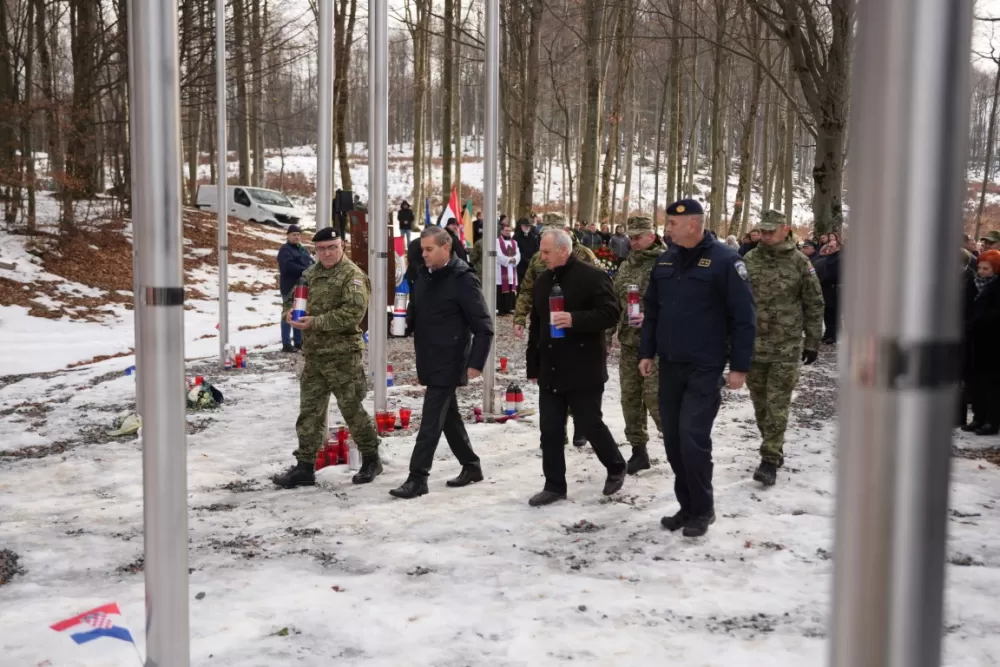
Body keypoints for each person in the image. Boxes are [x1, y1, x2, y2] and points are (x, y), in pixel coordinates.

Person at [638, 199, 756, 537]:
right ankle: (686, 506)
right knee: (674, 440)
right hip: (670, 364)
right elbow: (652, 310)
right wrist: (647, 352)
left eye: (672, 224)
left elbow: (744, 317)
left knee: (692, 437)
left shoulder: (725, 261)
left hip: (705, 364)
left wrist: (739, 366)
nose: (667, 229)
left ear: (692, 224)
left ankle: (703, 509)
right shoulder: (666, 259)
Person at [273, 227, 382, 488]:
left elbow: (352, 314)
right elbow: (290, 301)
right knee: (309, 412)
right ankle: (304, 466)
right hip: (314, 357)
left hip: (343, 357)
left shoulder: (352, 276)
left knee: (352, 410)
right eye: (321, 249)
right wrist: (289, 315)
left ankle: (371, 458)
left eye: (332, 247)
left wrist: (315, 322)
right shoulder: (310, 274)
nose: (327, 253)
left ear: (341, 246)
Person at [390, 227, 494, 498]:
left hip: (451, 359)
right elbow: (415, 312)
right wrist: (401, 324)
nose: (423, 254)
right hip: (428, 357)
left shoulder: (464, 279)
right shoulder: (423, 276)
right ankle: (471, 466)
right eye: (422, 249)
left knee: (430, 421)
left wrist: (476, 363)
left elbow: (484, 327)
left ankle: (418, 478)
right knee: (449, 418)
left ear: (446, 248)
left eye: (429, 249)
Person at [526, 229, 626, 506]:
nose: (542, 257)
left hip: (583, 366)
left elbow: (611, 313)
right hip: (551, 366)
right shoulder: (543, 281)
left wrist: (574, 319)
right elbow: (537, 325)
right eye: (541, 251)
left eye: (546, 252)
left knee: (590, 423)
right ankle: (554, 485)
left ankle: (616, 466)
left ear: (563, 250)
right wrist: (533, 364)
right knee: (550, 430)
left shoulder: (592, 276)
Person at [742, 210, 824, 486]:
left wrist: (812, 340)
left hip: (786, 346)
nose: (765, 236)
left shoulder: (800, 262)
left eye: (770, 231)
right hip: (754, 345)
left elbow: (814, 302)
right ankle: (772, 444)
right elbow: (737, 300)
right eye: (762, 231)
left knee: (777, 403)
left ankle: (769, 458)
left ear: (784, 230)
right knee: (760, 403)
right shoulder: (750, 259)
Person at [513, 213, 597, 447]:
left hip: (576, 328)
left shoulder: (584, 256)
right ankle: (554, 432)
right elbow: (527, 290)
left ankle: (580, 426)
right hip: (547, 327)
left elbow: (597, 293)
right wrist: (519, 317)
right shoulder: (539, 259)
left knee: (576, 381)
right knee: (549, 381)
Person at [611, 216, 665, 474]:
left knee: (656, 399)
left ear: (651, 236)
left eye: (637, 237)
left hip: (658, 345)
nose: (632, 242)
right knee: (630, 399)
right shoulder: (626, 265)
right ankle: (638, 450)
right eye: (630, 237)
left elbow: (680, 303)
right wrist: (607, 335)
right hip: (630, 342)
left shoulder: (667, 263)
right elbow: (614, 302)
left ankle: (679, 446)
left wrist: (653, 318)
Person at [964, 249, 1000, 436]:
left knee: (990, 383)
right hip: (972, 340)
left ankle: (991, 421)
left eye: (986, 268)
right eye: (980, 268)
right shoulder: (972, 284)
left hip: (991, 342)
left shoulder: (997, 287)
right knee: (974, 381)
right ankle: (978, 417)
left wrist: (978, 320)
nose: (981, 271)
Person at [277, 225, 314, 353]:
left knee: (300, 312)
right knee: (288, 313)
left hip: (302, 286)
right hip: (289, 287)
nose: (297, 237)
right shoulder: (285, 250)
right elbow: (287, 267)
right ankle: (286, 343)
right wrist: (304, 269)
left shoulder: (302, 249)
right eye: (294, 235)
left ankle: (298, 342)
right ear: (288, 236)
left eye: (298, 234)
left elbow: (310, 262)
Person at [814, 235, 842, 343]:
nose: (829, 248)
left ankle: (833, 334)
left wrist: (824, 279)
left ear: (838, 247)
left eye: (832, 246)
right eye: (828, 246)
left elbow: (835, 274)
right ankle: (828, 333)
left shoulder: (840, 258)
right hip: (826, 288)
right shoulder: (828, 258)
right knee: (827, 312)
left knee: (833, 313)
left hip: (834, 288)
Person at [496, 221, 521, 315]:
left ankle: (509, 308)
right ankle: (501, 309)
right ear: (501, 231)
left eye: (509, 231)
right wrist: (508, 260)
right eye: (506, 230)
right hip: (501, 269)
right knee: (501, 287)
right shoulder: (497, 242)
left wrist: (514, 259)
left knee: (511, 287)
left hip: (511, 268)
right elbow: (498, 255)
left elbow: (518, 254)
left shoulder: (514, 242)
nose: (508, 232)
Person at [514, 217, 540, 284]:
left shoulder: (532, 236)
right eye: (525, 226)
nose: (527, 227)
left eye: (528, 226)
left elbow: (536, 248)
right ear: (521, 226)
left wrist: (533, 259)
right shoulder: (516, 237)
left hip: (532, 265)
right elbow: (517, 251)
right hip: (521, 266)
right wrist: (526, 260)